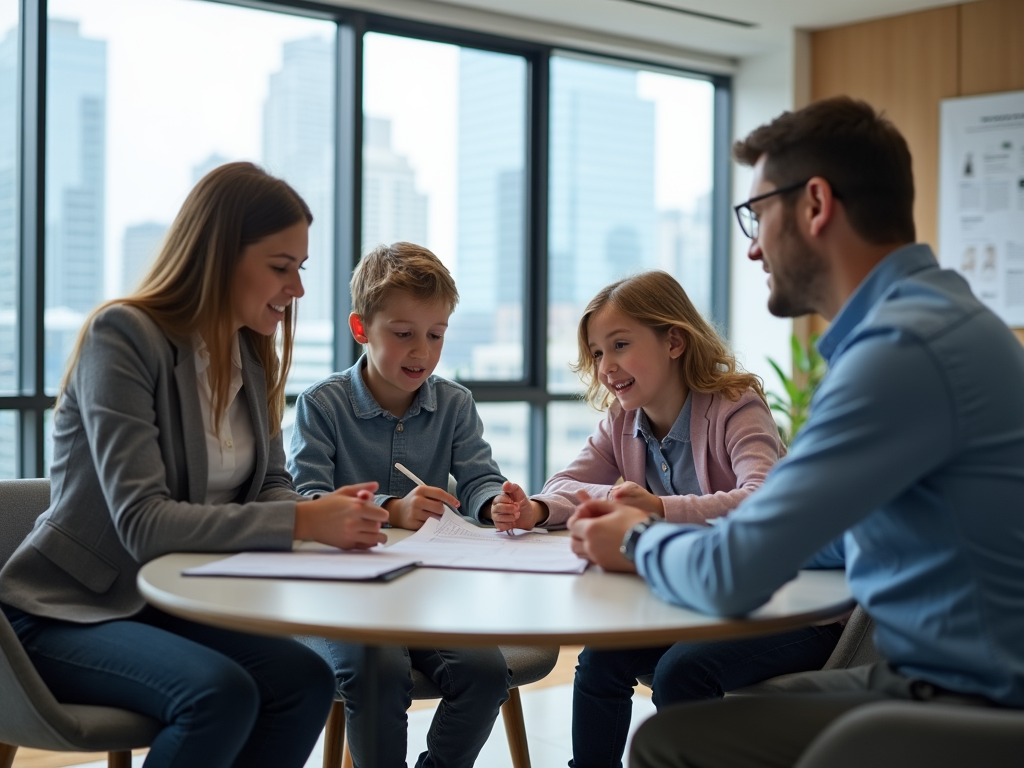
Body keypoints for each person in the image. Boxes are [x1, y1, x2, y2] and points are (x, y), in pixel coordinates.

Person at [567, 97, 1024, 768]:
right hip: (940, 679)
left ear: (814, 205)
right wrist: (761, 534)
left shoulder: (899, 351)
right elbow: (837, 540)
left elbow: (732, 578)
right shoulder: (936, 321)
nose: (751, 246)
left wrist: (637, 539)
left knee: (669, 742)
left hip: (968, 704)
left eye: (757, 216)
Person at [0, 162, 390, 768]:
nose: (298, 290)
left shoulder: (249, 356)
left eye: (300, 269)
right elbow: (144, 524)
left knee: (305, 681)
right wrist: (304, 526)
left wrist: (324, 512)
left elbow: (268, 485)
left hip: (169, 605)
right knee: (219, 694)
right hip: (63, 610)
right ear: (218, 255)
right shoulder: (124, 336)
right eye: (281, 268)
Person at [491, 271, 837, 768]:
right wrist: (539, 510)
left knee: (680, 673)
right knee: (600, 661)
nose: (606, 366)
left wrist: (656, 507)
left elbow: (764, 500)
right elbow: (561, 486)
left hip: (793, 607)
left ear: (674, 340)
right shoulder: (621, 419)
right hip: (706, 600)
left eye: (621, 345)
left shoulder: (735, 404)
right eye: (596, 352)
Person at [287, 241, 512, 768]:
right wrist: (393, 510)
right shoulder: (322, 405)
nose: (422, 352)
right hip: (339, 594)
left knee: (484, 675)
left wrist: (497, 504)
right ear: (361, 329)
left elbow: (480, 478)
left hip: (425, 592)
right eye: (404, 334)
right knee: (378, 675)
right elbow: (303, 499)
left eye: (436, 336)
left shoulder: (455, 404)